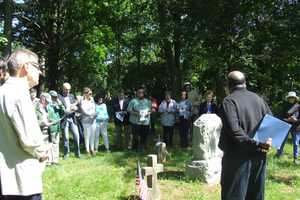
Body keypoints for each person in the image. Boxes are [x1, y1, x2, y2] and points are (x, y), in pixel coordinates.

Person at [0, 49, 48, 199]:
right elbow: (30, 140)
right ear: (26, 67)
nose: (40, 72)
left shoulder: (3, 91)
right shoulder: (19, 93)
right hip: (22, 180)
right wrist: (43, 153)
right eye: (37, 66)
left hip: (5, 180)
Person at [218, 71, 272, 200]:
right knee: (255, 195)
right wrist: (266, 142)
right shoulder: (258, 99)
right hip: (259, 156)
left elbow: (235, 132)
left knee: (234, 195)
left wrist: (258, 144)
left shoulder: (229, 101)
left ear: (228, 85)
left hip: (237, 158)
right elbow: (272, 123)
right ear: (245, 83)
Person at [58, 82, 81, 159]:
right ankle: (66, 154)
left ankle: (77, 154)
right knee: (66, 138)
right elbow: (60, 109)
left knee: (77, 136)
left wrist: (76, 108)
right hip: (64, 119)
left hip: (72, 118)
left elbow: (77, 106)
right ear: (63, 89)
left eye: (69, 89)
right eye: (66, 89)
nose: (68, 91)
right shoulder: (59, 97)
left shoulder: (71, 96)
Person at [275, 91, 300, 159]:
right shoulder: (284, 106)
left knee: (296, 143)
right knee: (282, 140)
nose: (291, 99)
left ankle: (296, 157)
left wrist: (296, 120)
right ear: (288, 98)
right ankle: (278, 154)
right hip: (285, 126)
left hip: (296, 127)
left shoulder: (299, 106)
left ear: (295, 98)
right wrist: (287, 120)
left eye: (293, 97)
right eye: (290, 97)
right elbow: (280, 116)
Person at [49, 90, 65, 164]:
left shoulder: (57, 105)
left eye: (56, 97)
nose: (55, 99)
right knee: (50, 144)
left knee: (56, 143)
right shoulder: (47, 106)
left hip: (57, 127)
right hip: (50, 127)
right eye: (53, 97)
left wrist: (60, 104)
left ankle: (55, 160)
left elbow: (63, 112)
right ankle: (50, 160)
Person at [79, 87, 97, 155]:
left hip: (93, 120)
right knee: (87, 135)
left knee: (93, 135)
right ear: (85, 94)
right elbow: (84, 110)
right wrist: (90, 115)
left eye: (91, 93)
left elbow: (94, 108)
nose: (91, 94)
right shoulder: (82, 101)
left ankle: (92, 149)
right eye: (89, 93)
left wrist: (94, 114)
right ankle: (87, 150)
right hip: (86, 120)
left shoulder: (92, 100)